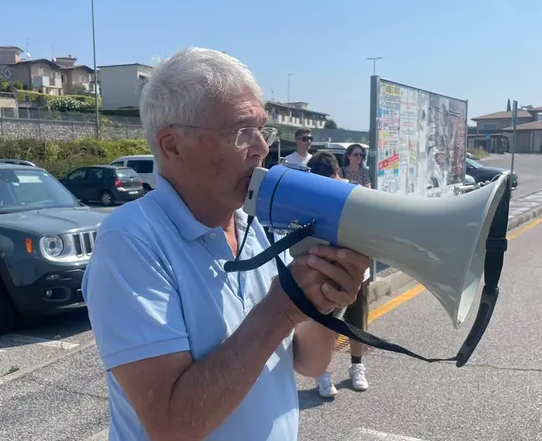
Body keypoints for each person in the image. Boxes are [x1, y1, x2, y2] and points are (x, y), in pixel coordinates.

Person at [82, 47, 369, 441]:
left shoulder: (258, 225)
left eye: (261, 130)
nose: (263, 149)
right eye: (241, 132)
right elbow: (171, 424)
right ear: (172, 145)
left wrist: (324, 298)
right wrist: (282, 309)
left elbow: (309, 362)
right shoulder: (130, 241)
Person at [307, 151, 371, 397]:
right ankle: (321, 372)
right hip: (326, 272)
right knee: (324, 325)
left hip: (357, 272)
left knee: (357, 324)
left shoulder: (356, 193)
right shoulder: (311, 195)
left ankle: (357, 366)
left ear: (337, 173)